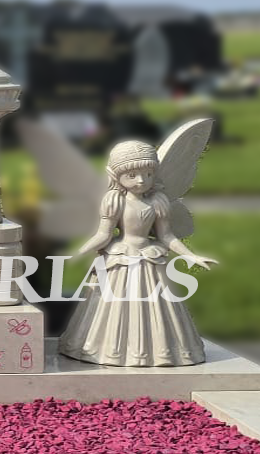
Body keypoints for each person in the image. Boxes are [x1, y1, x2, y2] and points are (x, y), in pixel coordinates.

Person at [58, 139, 216, 367]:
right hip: (120, 258)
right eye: (132, 175)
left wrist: (191, 256)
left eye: (148, 174)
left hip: (149, 259)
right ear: (116, 175)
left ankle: (161, 352)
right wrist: (80, 251)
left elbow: (167, 236)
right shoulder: (114, 200)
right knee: (113, 309)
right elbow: (104, 234)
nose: (141, 180)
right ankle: (108, 350)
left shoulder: (158, 201)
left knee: (155, 309)